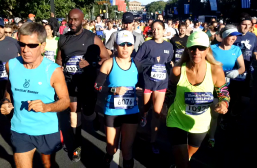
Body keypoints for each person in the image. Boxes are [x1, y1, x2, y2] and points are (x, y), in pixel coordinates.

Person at [0, 22, 70, 168]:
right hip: (20, 128)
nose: (25, 50)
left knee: (48, 164)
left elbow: (65, 101)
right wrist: (6, 100)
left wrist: (46, 107)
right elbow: (10, 86)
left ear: (42, 46)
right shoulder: (11, 65)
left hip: (47, 129)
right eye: (22, 44)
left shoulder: (54, 71)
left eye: (32, 45)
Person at [167, 31, 229, 168]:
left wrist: (224, 103)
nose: (196, 52)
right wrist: (165, 107)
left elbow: (223, 92)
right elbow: (170, 90)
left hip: (200, 122)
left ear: (207, 49)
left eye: (201, 48)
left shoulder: (215, 70)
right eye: (192, 48)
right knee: (183, 163)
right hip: (177, 118)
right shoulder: (178, 70)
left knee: (188, 155)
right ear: (187, 49)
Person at [56, 8, 109, 162]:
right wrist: (59, 66)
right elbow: (59, 59)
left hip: (88, 83)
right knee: (74, 113)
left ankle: (95, 118)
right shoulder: (63, 38)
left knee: (88, 113)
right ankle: (77, 144)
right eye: (69, 19)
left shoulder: (92, 38)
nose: (71, 22)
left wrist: (92, 64)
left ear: (83, 20)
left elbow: (106, 58)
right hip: (70, 82)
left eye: (75, 19)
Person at [95, 30, 143, 168]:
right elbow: (97, 86)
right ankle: (109, 155)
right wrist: (113, 90)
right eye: (122, 44)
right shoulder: (109, 63)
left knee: (127, 150)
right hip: (112, 113)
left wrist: (141, 93)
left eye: (129, 44)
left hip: (131, 112)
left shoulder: (137, 65)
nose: (125, 48)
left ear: (133, 46)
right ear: (116, 45)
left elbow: (142, 86)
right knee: (112, 148)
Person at [135, 20, 173, 154]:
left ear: (163, 30)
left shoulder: (169, 46)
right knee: (146, 107)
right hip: (148, 83)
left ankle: (153, 141)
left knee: (156, 113)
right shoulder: (147, 45)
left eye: (158, 29)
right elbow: (137, 60)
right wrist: (149, 64)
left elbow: (169, 62)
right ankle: (143, 115)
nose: (156, 31)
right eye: (154, 29)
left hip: (161, 84)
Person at [209, 25, 245, 148]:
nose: (234, 38)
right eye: (231, 35)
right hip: (210, 85)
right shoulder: (212, 48)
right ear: (224, 35)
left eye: (236, 36)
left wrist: (237, 72)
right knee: (210, 112)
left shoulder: (236, 50)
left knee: (215, 113)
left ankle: (211, 137)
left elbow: (242, 67)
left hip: (224, 88)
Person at [232, 14, 257, 116]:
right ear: (239, 25)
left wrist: (256, 56)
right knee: (232, 96)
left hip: (247, 71)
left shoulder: (252, 36)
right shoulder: (232, 36)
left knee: (245, 99)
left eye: (249, 24)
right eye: (244, 24)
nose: (247, 27)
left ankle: (235, 114)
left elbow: (254, 51)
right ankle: (228, 118)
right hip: (233, 71)